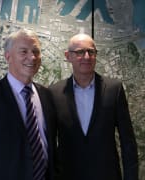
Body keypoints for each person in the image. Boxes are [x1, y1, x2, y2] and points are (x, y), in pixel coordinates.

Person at [0, 28, 56, 180]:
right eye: (23, 52)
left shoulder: (46, 96)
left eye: (36, 51)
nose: (32, 57)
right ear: (8, 56)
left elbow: (50, 147)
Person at [48, 33, 138, 180]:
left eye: (91, 52)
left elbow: (128, 142)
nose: (86, 57)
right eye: (80, 52)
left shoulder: (114, 89)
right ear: (68, 56)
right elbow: (50, 145)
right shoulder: (53, 93)